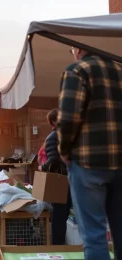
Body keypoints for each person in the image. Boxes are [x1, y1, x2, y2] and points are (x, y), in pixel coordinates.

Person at [57, 47, 122, 259]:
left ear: (78, 49)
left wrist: (64, 149)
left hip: (88, 162)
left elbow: (67, 118)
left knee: (95, 235)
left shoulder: (77, 70)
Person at [39, 109, 72, 245]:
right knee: (59, 216)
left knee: (61, 216)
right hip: (61, 180)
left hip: (64, 180)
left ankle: (59, 245)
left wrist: (42, 167)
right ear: (54, 121)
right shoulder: (54, 136)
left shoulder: (60, 135)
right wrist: (43, 167)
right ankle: (58, 246)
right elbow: (53, 160)